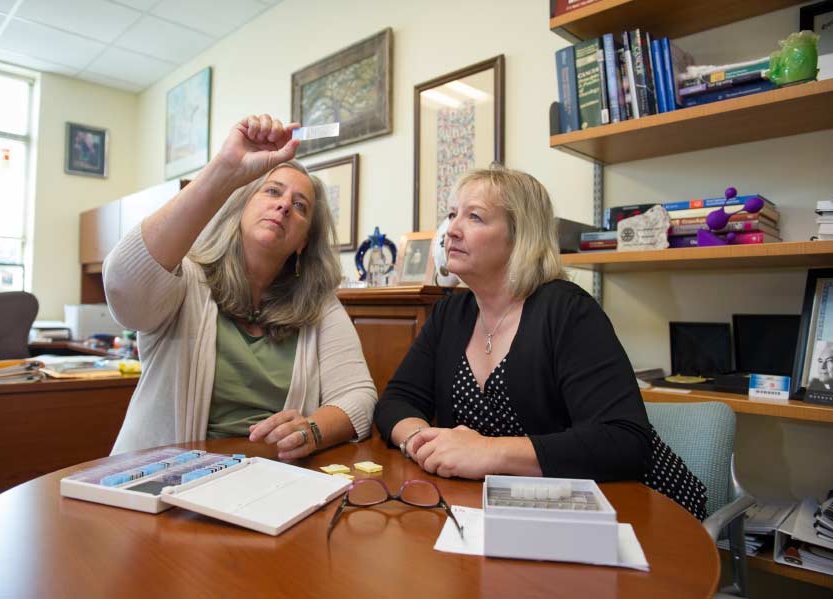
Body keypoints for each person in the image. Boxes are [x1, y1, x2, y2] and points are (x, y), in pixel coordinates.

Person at [374, 166, 706, 518]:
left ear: (521, 236)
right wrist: (421, 441)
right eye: (452, 215)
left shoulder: (567, 310)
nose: (451, 230)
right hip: (532, 511)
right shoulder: (449, 314)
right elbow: (396, 401)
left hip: (642, 507)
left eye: (475, 217)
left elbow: (623, 441)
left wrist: (487, 451)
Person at [104, 114, 377, 458]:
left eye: (300, 206)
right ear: (241, 208)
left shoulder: (319, 306)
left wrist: (311, 430)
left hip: (271, 478)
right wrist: (224, 170)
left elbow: (358, 397)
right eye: (273, 191)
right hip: (163, 474)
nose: (284, 205)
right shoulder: (187, 279)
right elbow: (124, 287)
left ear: (303, 243)